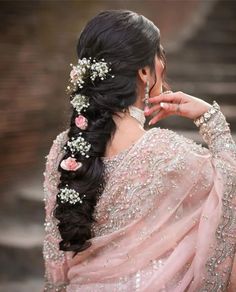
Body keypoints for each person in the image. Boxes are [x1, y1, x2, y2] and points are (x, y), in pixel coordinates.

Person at [42, 9, 236, 292]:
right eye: (160, 56)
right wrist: (211, 120)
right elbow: (228, 198)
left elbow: (55, 251)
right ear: (145, 72)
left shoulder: (64, 148)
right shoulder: (165, 153)